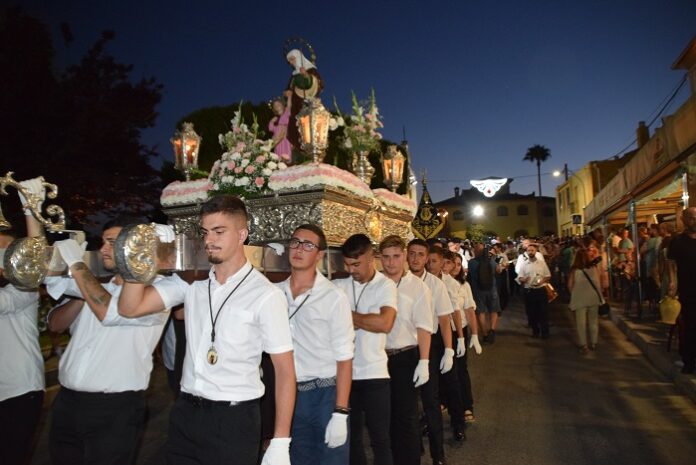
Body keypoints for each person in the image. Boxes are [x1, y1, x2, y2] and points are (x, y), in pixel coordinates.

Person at [117, 195, 296, 465]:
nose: (210, 240)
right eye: (205, 232)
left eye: (219, 231)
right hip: (186, 412)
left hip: (234, 420)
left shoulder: (265, 295)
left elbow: (284, 371)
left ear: (242, 234)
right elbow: (129, 308)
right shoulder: (193, 283)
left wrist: (281, 441)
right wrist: (139, 255)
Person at [45, 217, 173, 465]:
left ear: (135, 246)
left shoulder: (157, 290)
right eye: (103, 241)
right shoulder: (94, 286)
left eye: (112, 242)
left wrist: (78, 266)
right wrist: (83, 292)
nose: (103, 248)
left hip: (115, 408)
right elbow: (55, 324)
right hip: (67, 402)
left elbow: (109, 313)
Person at [277, 224, 355, 464]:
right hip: (288, 394)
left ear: (319, 254)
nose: (299, 248)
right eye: (295, 242)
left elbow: (345, 358)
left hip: (325, 394)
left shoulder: (333, 297)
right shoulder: (273, 293)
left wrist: (340, 412)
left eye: (308, 245)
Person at [333, 234, 396, 465]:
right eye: (347, 264)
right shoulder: (338, 285)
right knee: (352, 440)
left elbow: (384, 323)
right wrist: (365, 320)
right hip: (344, 376)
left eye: (357, 264)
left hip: (375, 374)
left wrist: (345, 317)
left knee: (380, 439)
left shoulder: (385, 285)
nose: (351, 270)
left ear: (372, 258)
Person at [0, 178, 46, 465]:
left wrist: (31, 210)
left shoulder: (23, 288)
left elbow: (35, 260)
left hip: (19, 392)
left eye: (5, 253)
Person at [379, 235, 432, 465]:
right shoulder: (375, 283)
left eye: (396, 256)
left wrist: (424, 361)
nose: (391, 262)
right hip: (378, 359)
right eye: (386, 257)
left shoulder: (417, 287)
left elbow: (424, 326)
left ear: (404, 257)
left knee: (407, 419)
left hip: (405, 357)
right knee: (383, 419)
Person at [406, 239, 454, 465]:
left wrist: (449, 349)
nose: (415, 258)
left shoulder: (436, 285)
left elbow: (444, 320)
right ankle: (413, 449)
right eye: (412, 253)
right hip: (406, 348)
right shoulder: (398, 282)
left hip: (430, 347)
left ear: (427, 258)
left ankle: (438, 454)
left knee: (430, 401)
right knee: (407, 403)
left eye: (420, 254)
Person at [430, 248, 465, 441]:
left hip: (445, 335)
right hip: (427, 335)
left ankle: (457, 422)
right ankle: (431, 420)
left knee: (451, 381)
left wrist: (459, 338)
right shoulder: (421, 280)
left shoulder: (449, 283)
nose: (432, 265)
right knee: (431, 384)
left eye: (435, 261)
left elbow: (455, 312)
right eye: (431, 261)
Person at [448, 255, 479, 424]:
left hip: (460, 331)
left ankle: (467, 405)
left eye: (459, 264)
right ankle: (446, 401)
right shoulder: (440, 283)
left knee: (460, 369)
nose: (455, 267)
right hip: (443, 332)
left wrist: (474, 334)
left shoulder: (463, 286)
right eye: (451, 263)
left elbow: (469, 311)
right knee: (444, 370)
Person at [666, 207, 696, 374]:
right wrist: (672, 282)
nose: (695, 221)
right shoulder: (677, 241)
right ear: (684, 220)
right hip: (688, 291)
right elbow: (670, 264)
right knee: (690, 327)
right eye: (691, 218)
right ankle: (689, 361)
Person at [568, 243, 606, 354]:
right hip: (593, 297)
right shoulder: (594, 268)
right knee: (593, 320)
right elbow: (598, 283)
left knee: (581, 323)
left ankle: (583, 345)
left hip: (579, 298)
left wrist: (574, 293)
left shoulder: (575, 270)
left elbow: (570, 285)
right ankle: (594, 342)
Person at [285, 49, 324, 153]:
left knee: (309, 127)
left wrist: (306, 75)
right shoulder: (294, 75)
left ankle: (311, 151)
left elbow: (319, 84)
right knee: (295, 127)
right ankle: (298, 152)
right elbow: (289, 88)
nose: (291, 63)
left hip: (307, 103)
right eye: (290, 61)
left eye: (292, 60)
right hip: (295, 106)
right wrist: (287, 93)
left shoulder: (311, 70)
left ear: (298, 58)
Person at [468, 243, 502, 343]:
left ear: (475, 251)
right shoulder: (491, 261)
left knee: (480, 312)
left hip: (478, 291)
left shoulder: (471, 263)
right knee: (494, 310)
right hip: (492, 289)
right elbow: (499, 270)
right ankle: (492, 330)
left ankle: (484, 334)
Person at [516, 243, 552, 338]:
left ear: (536, 251)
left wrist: (542, 281)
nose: (530, 252)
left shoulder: (542, 263)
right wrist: (524, 279)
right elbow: (520, 277)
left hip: (540, 290)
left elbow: (548, 275)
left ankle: (545, 332)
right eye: (529, 250)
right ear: (526, 252)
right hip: (529, 291)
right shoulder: (524, 264)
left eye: (532, 250)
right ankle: (535, 331)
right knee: (532, 313)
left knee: (543, 312)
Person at [269, 97, 293, 163]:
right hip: (277, 141)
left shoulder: (286, 113)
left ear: (283, 105)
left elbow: (289, 106)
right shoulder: (276, 120)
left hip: (285, 139)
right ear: (274, 109)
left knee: (286, 155)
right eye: (275, 106)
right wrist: (271, 121)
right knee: (278, 156)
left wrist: (289, 96)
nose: (277, 106)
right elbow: (271, 128)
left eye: (278, 104)